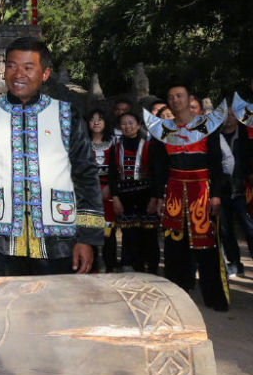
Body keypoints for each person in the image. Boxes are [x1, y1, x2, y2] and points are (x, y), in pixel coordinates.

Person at [0, 37, 104, 276]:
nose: (18, 74)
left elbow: (85, 175)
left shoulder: (67, 115)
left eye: (28, 67)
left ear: (45, 73)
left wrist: (87, 239)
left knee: (53, 310)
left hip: (59, 241)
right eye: (11, 66)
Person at [148, 84, 230, 310]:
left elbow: (215, 163)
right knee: (174, 244)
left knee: (207, 244)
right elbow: (159, 167)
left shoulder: (207, 126)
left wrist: (216, 195)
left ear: (189, 98)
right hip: (174, 189)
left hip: (201, 190)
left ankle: (214, 297)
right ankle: (177, 295)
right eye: (170, 96)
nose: (175, 100)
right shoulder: (162, 129)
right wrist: (159, 196)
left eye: (179, 96)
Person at [108, 111, 160, 274]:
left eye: (131, 123)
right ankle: (137, 270)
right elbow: (112, 176)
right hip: (125, 200)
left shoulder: (149, 145)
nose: (127, 126)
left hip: (146, 198)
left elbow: (157, 174)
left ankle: (152, 270)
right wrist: (115, 199)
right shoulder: (115, 148)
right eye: (124, 123)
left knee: (150, 236)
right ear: (119, 127)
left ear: (138, 125)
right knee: (130, 237)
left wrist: (154, 198)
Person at [217, 109, 250, 278]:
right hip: (222, 190)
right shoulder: (216, 135)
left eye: (231, 114)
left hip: (243, 188)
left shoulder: (245, 134)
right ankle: (235, 263)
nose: (228, 118)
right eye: (224, 115)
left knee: (249, 227)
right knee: (225, 228)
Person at [86, 108, 118, 271]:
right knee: (89, 233)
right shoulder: (82, 143)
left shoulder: (114, 143)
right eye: (92, 119)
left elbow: (117, 170)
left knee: (108, 234)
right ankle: (92, 268)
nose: (96, 122)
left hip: (107, 195)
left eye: (100, 119)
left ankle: (110, 267)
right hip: (87, 196)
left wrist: (111, 188)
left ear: (106, 123)